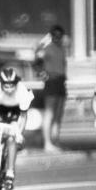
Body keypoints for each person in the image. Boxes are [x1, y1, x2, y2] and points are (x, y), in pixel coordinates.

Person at [0, 67, 34, 189]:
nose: (9, 89)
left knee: (12, 139)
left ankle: (10, 172)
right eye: (6, 86)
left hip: (16, 113)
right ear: (1, 84)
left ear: (16, 84)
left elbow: (23, 117)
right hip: (0, 111)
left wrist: (19, 133)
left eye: (12, 86)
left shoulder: (23, 92)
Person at [35, 24, 67, 152]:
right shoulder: (47, 48)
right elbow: (36, 59)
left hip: (60, 81)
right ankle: (47, 143)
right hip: (51, 81)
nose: (58, 38)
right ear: (52, 36)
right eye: (55, 35)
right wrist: (42, 74)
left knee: (58, 113)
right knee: (50, 112)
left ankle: (55, 140)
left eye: (60, 36)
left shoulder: (62, 49)